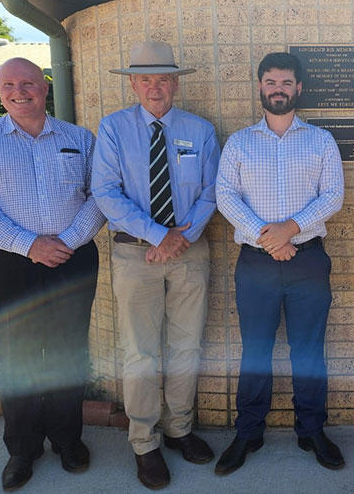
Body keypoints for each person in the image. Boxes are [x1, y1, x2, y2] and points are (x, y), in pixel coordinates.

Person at [0, 58, 105, 491]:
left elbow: (100, 194)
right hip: (9, 261)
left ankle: (67, 439)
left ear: (45, 87)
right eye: (9, 84)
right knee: (17, 355)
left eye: (28, 83)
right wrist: (28, 244)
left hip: (71, 259)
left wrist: (68, 241)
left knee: (67, 351)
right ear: (0, 91)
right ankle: (22, 448)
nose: (19, 91)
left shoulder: (79, 139)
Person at [91, 41, 220, 489]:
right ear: (132, 83)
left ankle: (179, 428)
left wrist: (179, 238)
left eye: (163, 78)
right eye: (145, 78)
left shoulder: (199, 131)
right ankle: (144, 442)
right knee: (140, 351)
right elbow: (106, 192)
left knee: (186, 346)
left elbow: (212, 190)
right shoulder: (112, 129)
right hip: (134, 254)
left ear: (176, 82)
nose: (155, 86)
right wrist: (157, 235)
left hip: (189, 253)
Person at [215, 52, 345, 474]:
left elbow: (333, 197)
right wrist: (268, 240)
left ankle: (312, 430)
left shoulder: (321, 139)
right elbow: (226, 198)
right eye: (271, 81)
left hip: (308, 262)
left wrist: (288, 230)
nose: (278, 89)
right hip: (256, 264)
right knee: (256, 351)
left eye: (286, 82)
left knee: (308, 352)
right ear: (260, 86)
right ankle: (248, 432)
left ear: (298, 88)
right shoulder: (239, 142)